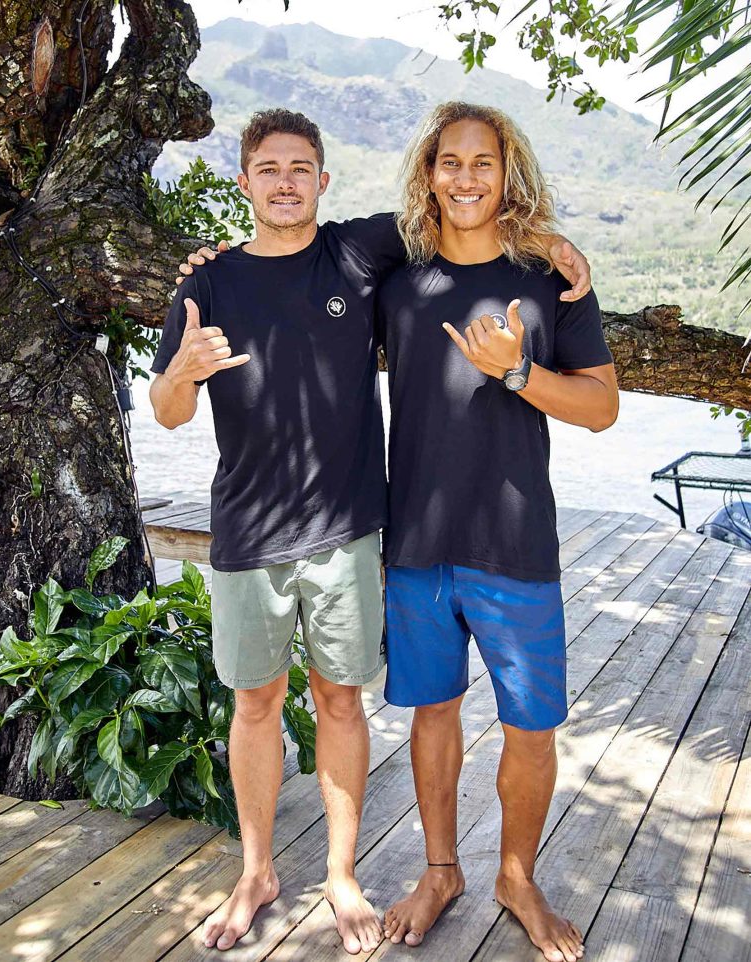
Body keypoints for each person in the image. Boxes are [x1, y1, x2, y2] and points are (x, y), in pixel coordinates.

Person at [160, 107, 592, 955]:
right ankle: (263, 872)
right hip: (260, 531)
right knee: (261, 704)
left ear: (323, 181)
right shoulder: (207, 284)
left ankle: (354, 875)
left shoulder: (360, 255)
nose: (285, 183)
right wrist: (179, 371)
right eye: (268, 169)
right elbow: (170, 411)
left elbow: (463, 212)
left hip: (358, 529)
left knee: (345, 703)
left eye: (301, 169)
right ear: (243, 181)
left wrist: (554, 243)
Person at [376, 101, 619, 962]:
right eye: (451, 162)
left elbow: (602, 405)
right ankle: (440, 871)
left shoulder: (551, 279)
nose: (467, 178)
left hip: (515, 542)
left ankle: (517, 876)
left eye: (484, 163)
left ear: (506, 173)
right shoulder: (398, 283)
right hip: (416, 542)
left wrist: (518, 371)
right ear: (429, 173)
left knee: (530, 724)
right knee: (432, 712)